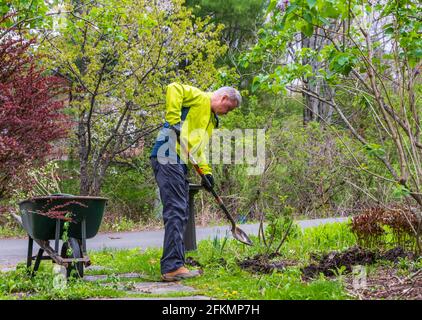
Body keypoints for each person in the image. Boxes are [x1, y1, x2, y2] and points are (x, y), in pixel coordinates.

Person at [150, 82, 241, 281]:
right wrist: (174, 120)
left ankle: (175, 264)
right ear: (224, 98)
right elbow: (173, 87)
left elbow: (196, 149)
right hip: (168, 154)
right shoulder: (198, 97)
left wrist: (206, 173)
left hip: (178, 160)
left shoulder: (210, 119)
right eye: (228, 108)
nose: (227, 113)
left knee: (181, 211)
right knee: (176, 209)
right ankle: (172, 267)